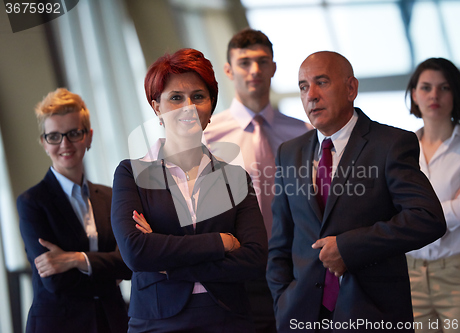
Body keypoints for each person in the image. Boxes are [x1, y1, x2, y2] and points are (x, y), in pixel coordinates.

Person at [266, 51, 447, 332]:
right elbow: (281, 240)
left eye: (321, 82)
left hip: (372, 314)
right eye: (303, 86)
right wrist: (282, 303)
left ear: (351, 88)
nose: (311, 95)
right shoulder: (289, 152)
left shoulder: (391, 144)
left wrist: (349, 248)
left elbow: (427, 218)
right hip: (300, 315)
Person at [111, 48, 268, 333]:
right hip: (156, 322)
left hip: (229, 319)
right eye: (175, 98)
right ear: (156, 107)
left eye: (198, 96)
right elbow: (135, 252)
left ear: (211, 107)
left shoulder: (235, 177)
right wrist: (220, 242)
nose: (188, 107)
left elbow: (254, 259)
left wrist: (168, 264)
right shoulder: (131, 174)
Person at [203, 28, 312, 333]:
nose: (255, 71)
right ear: (228, 70)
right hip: (235, 271)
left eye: (263, 62)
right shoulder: (207, 138)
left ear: (274, 68)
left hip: (297, 267)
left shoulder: (303, 133)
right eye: (244, 62)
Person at [17, 88, 131, 333]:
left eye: (73, 133)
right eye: (54, 136)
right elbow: (56, 281)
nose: (65, 144)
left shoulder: (111, 196)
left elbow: (129, 262)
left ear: (88, 137)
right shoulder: (32, 202)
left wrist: (76, 259)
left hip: (113, 323)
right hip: (60, 325)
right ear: (43, 143)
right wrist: (109, 274)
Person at [405, 58, 460, 332]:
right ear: (414, 95)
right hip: (409, 274)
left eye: (444, 88)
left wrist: (413, 216)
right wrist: (444, 210)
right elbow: (388, 209)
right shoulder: (399, 149)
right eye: (426, 87)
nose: (434, 95)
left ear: (456, 94)